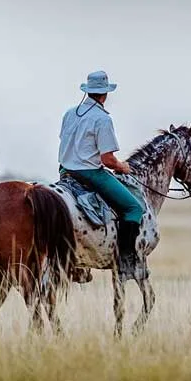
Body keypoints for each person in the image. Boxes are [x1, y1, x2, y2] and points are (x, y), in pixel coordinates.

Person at [59, 71, 144, 275]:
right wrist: (123, 166)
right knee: (134, 208)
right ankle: (126, 260)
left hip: (65, 172)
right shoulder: (102, 119)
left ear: (87, 91)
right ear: (105, 94)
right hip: (89, 174)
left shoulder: (70, 113)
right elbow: (107, 160)